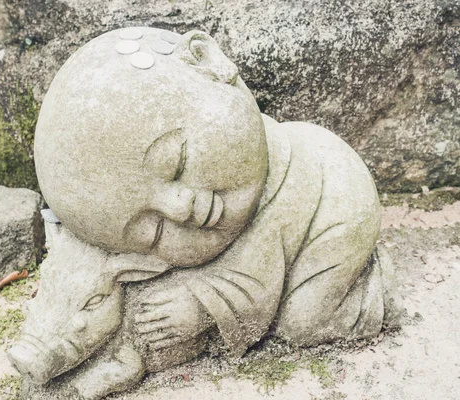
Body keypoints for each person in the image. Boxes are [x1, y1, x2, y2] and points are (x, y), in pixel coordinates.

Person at [34, 27, 399, 357]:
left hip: (334, 214)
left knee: (303, 322)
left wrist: (202, 306)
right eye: (153, 232)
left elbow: (255, 286)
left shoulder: (280, 200)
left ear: (208, 61)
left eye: (175, 164)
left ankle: (373, 293)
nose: (179, 210)